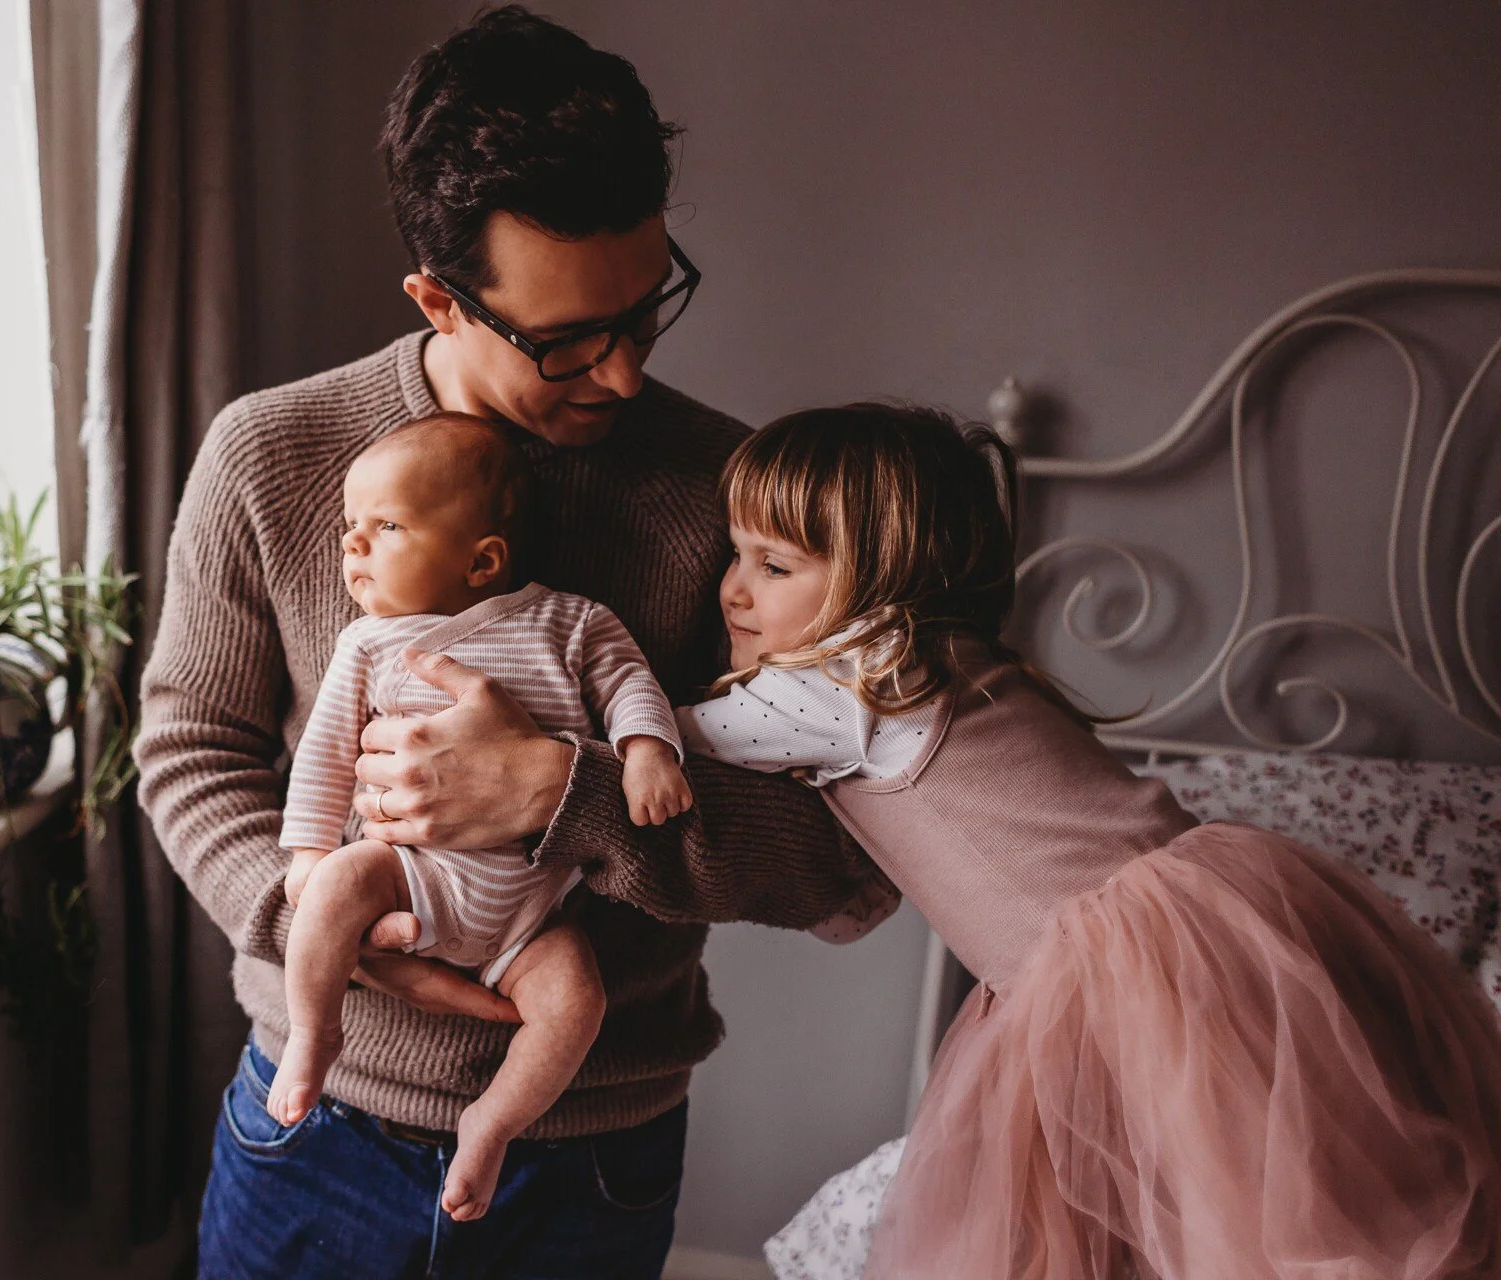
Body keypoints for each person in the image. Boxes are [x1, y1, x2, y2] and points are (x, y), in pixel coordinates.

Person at [133, 10, 897, 1276]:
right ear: (438, 296)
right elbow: (190, 749)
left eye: (647, 309)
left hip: (592, 1150)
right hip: (309, 1126)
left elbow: (842, 863)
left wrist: (568, 793)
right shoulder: (268, 454)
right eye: (564, 342)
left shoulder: (737, 498)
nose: (622, 376)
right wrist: (321, 920)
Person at [677, 402, 1501, 1278]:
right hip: (1175, 944)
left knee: (1231, 1213)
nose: (732, 587)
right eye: (736, 553)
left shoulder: (840, 687)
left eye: (773, 565)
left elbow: (662, 735)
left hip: (1119, 976)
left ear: (885, 577)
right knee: (1256, 1191)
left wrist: (571, 681)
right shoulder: (930, 658)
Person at [273, 413, 691, 1222]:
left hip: (531, 908)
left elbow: (631, 686)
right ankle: (315, 1032)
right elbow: (324, 755)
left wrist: (645, 752)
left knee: (576, 1001)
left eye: (385, 527)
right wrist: (307, 858)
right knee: (331, 891)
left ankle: (492, 1122)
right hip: (409, 877)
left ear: (483, 558)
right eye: (348, 530)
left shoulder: (571, 623)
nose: (354, 548)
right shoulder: (367, 644)